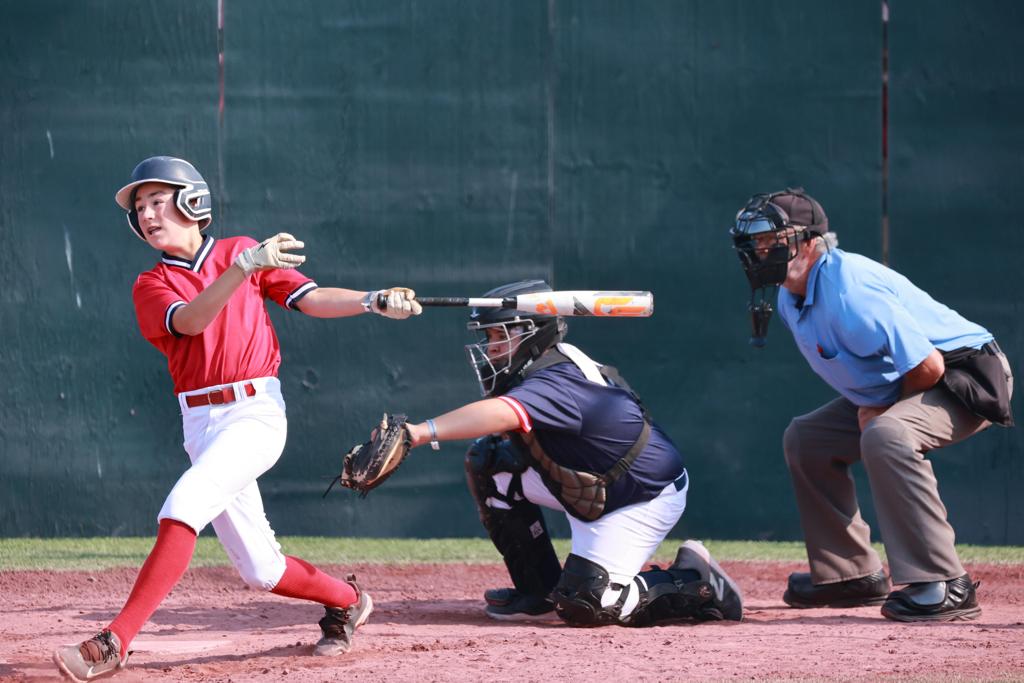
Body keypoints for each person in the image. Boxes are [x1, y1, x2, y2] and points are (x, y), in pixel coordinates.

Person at [53, 156, 422, 681]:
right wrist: (243, 269)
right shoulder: (153, 283)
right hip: (201, 425)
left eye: (158, 201)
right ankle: (348, 599)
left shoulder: (239, 252)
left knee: (184, 504)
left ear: (192, 201)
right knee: (261, 570)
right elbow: (191, 320)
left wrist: (372, 300)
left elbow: (311, 298)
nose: (148, 215)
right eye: (140, 208)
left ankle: (116, 641)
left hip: (255, 414)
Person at [729, 187, 1014, 622]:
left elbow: (929, 365)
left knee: (888, 434)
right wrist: (875, 404)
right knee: (808, 440)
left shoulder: (851, 289)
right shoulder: (789, 296)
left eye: (773, 240)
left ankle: (946, 584)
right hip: (907, 379)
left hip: (966, 376)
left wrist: (883, 409)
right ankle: (850, 575)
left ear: (810, 243)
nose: (760, 251)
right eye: (755, 242)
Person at [393, 279, 743, 627]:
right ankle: (539, 592)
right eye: (490, 337)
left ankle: (697, 583)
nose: (492, 348)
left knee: (588, 602)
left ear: (533, 334)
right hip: (592, 482)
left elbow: (501, 413)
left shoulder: (558, 378)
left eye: (501, 336)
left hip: (638, 496)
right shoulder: (544, 366)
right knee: (493, 463)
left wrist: (420, 432)